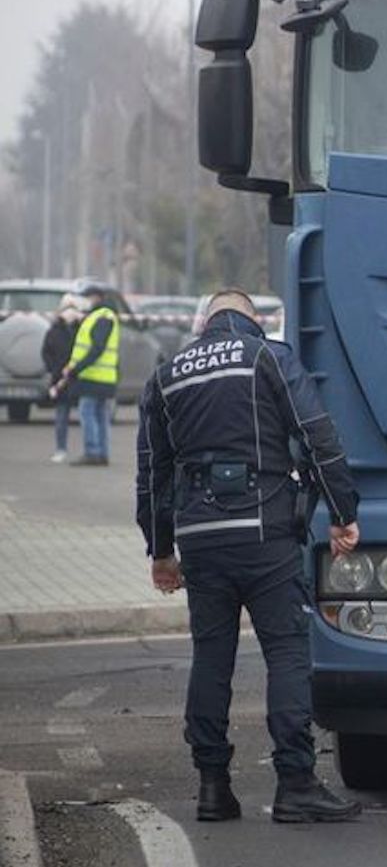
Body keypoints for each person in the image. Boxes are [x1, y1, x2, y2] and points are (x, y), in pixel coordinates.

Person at [135, 288, 363, 824]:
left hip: (200, 538)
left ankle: (213, 787)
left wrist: (161, 550)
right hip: (265, 532)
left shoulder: (168, 375)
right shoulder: (269, 357)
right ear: (252, 319)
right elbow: (317, 436)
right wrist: (342, 511)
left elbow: (152, 474)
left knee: (211, 657)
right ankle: (295, 784)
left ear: (206, 321)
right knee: (285, 653)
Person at [52, 284, 120, 466]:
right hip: (100, 376)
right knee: (100, 415)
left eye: (86, 297)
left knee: (88, 413)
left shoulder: (102, 317)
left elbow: (96, 348)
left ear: (96, 297)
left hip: (95, 376)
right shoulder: (99, 316)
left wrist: (76, 369)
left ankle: (93, 452)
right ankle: (102, 453)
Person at [41, 294, 85, 462]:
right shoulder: (53, 330)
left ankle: (88, 449)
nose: (69, 311)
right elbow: (46, 353)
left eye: (72, 307)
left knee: (85, 416)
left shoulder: (82, 328)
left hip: (79, 378)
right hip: (60, 380)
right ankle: (61, 449)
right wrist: (54, 370)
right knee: (61, 416)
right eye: (67, 307)